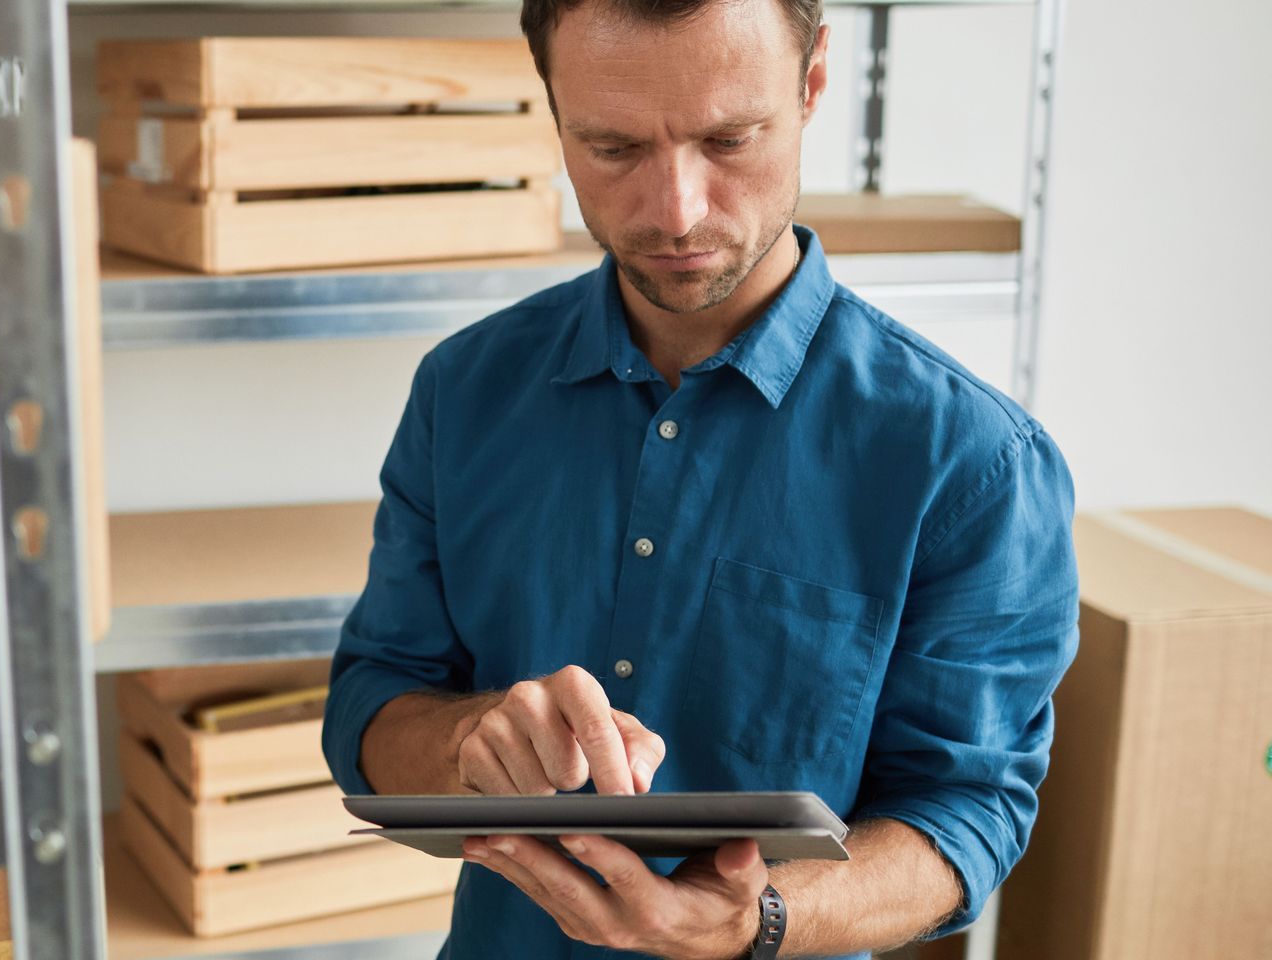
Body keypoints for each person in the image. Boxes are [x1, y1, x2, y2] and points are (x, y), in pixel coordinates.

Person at [320, 0, 1081, 957]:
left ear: (810, 85)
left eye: (729, 139)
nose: (676, 211)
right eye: (612, 147)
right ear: (553, 109)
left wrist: (760, 921)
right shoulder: (462, 391)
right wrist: (470, 741)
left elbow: (967, 813)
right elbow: (372, 701)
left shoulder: (973, 461)